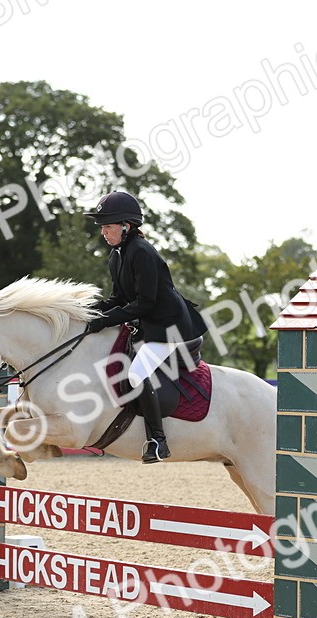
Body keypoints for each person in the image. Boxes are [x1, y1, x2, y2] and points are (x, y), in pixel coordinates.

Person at [82, 190, 208, 464]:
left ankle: (158, 441)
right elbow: (118, 299)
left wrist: (104, 321)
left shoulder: (142, 253)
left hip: (171, 329)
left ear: (126, 226)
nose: (103, 232)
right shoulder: (117, 255)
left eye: (108, 226)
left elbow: (146, 303)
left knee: (137, 374)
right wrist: (88, 311)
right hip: (152, 325)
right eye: (102, 227)